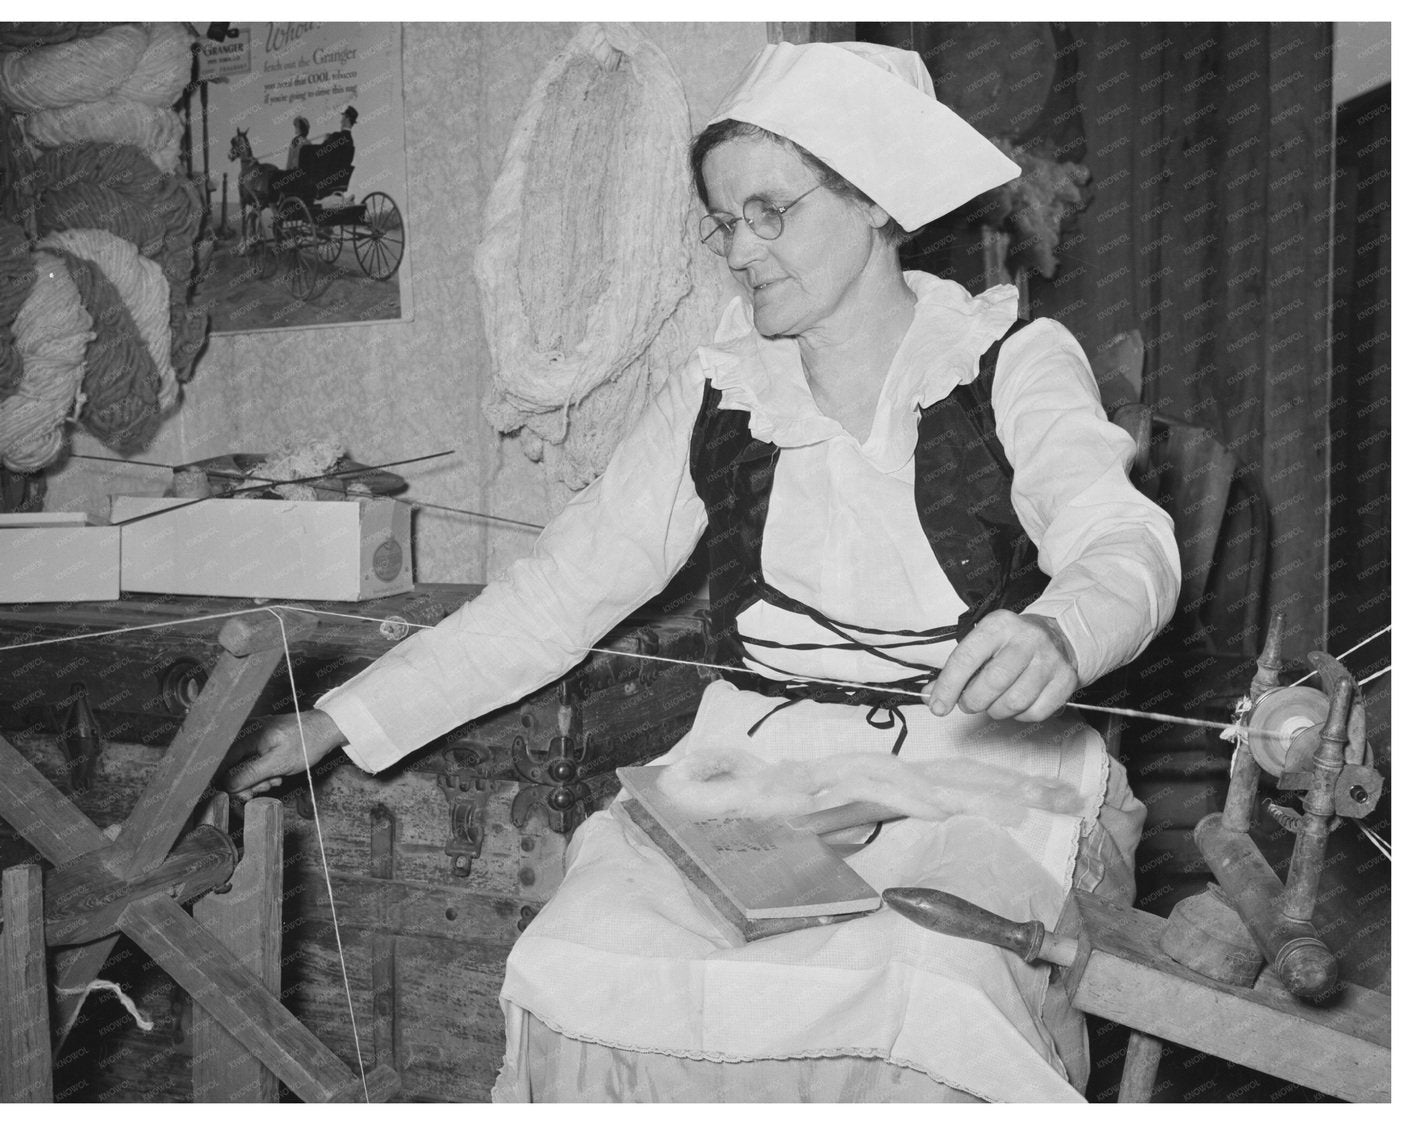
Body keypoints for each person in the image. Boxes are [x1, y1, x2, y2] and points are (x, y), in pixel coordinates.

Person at [228, 41, 1178, 1102]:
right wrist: (344, 719)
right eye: (725, 222)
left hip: (975, 779)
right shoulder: (721, 391)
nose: (741, 249)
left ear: (874, 203)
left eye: (771, 210)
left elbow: (1122, 542)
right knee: (581, 964)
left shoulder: (1007, 359)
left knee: (927, 986)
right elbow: (558, 593)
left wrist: (1060, 631)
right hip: (750, 780)